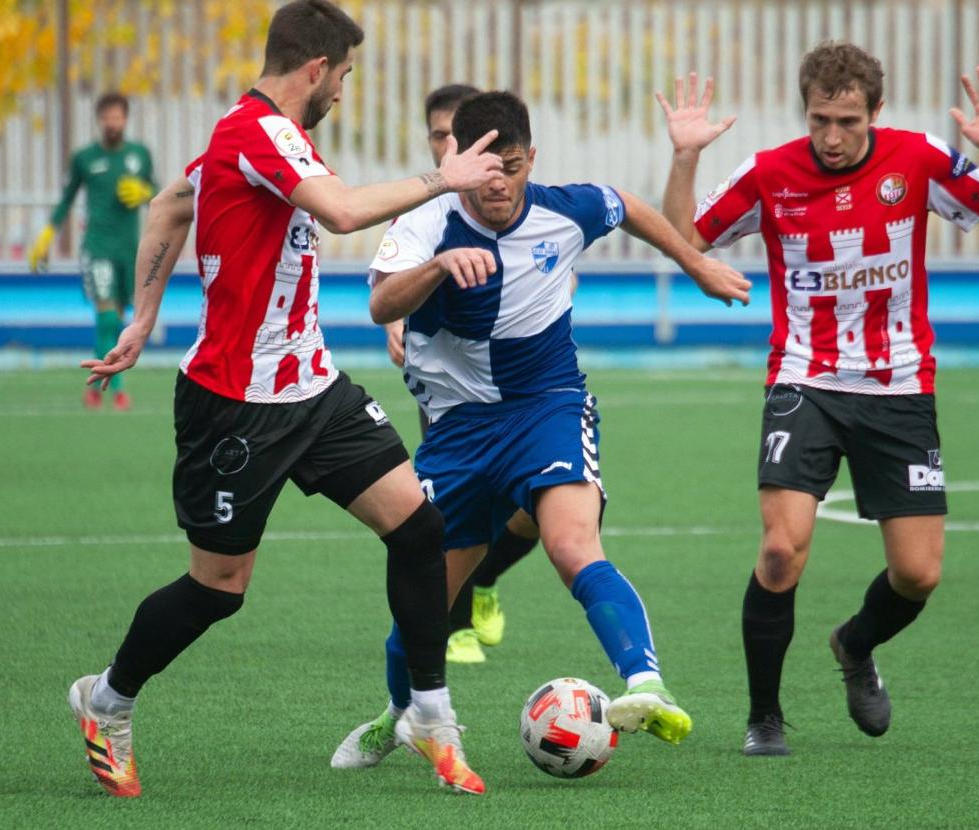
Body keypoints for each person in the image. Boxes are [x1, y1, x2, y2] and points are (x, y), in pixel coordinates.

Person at [68, 0, 505, 797]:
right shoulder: (257, 130)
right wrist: (446, 176)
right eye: (342, 75)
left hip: (314, 389)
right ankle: (106, 701)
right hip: (234, 404)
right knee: (219, 589)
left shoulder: (270, 140)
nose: (344, 89)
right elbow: (340, 213)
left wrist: (143, 316)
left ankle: (431, 718)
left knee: (419, 529)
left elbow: (171, 205)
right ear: (315, 69)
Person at [331, 90, 752, 770]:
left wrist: (696, 264)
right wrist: (436, 268)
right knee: (423, 602)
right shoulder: (427, 222)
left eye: (515, 164)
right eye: (484, 167)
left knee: (571, 544)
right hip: (459, 430)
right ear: (455, 159)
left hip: (545, 407)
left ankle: (646, 683)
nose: (499, 181)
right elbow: (380, 301)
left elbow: (628, 204)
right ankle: (399, 715)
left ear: (533, 159)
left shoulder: (562, 209)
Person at [657, 43, 979, 756]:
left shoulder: (920, 159)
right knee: (780, 552)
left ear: (876, 113)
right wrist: (685, 157)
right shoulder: (772, 172)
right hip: (804, 379)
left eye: (848, 121)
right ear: (805, 112)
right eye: (820, 120)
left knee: (918, 574)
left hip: (900, 385)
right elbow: (685, 237)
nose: (832, 137)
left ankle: (853, 644)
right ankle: (764, 718)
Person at [386, 83, 544, 666]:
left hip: (524, 386)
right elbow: (391, 285)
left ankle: (483, 580)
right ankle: (449, 628)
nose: (450, 145)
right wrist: (394, 326)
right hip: (451, 387)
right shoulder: (422, 209)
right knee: (450, 512)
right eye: (439, 135)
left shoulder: (515, 198)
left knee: (534, 510)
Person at [29, 92, 155, 411]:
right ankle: (115, 389)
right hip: (97, 246)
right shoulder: (85, 158)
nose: (113, 122)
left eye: (118, 116)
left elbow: (158, 193)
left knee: (121, 320)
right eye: (107, 117)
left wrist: (144, 193)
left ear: (125, 119)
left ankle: (101, 386)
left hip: (130, 249)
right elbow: (67, 198)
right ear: (100, 120)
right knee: (106, 316)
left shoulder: (139, 155)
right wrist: (47, 235)